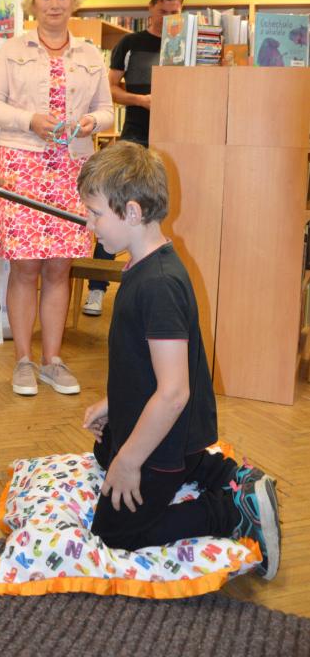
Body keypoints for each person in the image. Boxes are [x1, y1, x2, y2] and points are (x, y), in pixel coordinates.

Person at [78, 143, 280, 578]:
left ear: (132, 212)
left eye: (94, 213)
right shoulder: (144, 265)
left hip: (169, 431)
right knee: (104, 448)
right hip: (170, 424)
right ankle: (214, 468)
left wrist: (130, 461)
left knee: (116, 530)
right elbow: (144, 365)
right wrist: (114, 405)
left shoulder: (159, 285)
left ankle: (232, 511)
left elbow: (172, 394)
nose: (87, 223)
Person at [0, 0, 113, 397]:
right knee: (25, 267)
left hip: (73, 169)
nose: (54, 4)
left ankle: (52, 361)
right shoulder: (12, 49)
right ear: (32, 2)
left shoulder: (90, 55)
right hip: (22, 164)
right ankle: (23, 360)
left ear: (74, 0)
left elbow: (107, 112)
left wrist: (92, 122)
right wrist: (29, 119)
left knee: (60, 266)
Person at [83, 0, 184, 317]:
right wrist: (141, 100)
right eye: (163, 11)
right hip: (136, 136)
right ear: (150, 7)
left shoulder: (187, 42)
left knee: (161, 210)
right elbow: (110, 90)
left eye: (175, 12)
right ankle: (97, 289)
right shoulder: (130, 43)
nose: (168, 18)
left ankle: (154, 283)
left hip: (179, 137)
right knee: (114, 205)